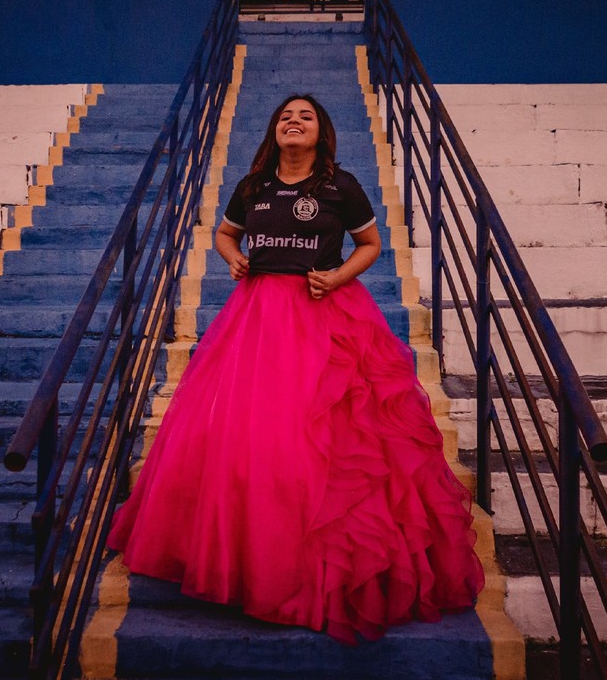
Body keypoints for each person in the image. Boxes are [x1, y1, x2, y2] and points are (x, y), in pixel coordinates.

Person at [106, 94, 484, 645]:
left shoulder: (340, 186)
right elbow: (225, 232)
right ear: (274, 131)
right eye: (285, 115)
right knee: (258, 432)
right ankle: (255, 562)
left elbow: (371, 243)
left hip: (324, 311)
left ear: (321, 133)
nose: (293, 121)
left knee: (324, 433)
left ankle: (316, 568)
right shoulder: (253, 185)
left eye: (305, 116)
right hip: (257, 317)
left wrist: (337, 278)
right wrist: (231, 256)